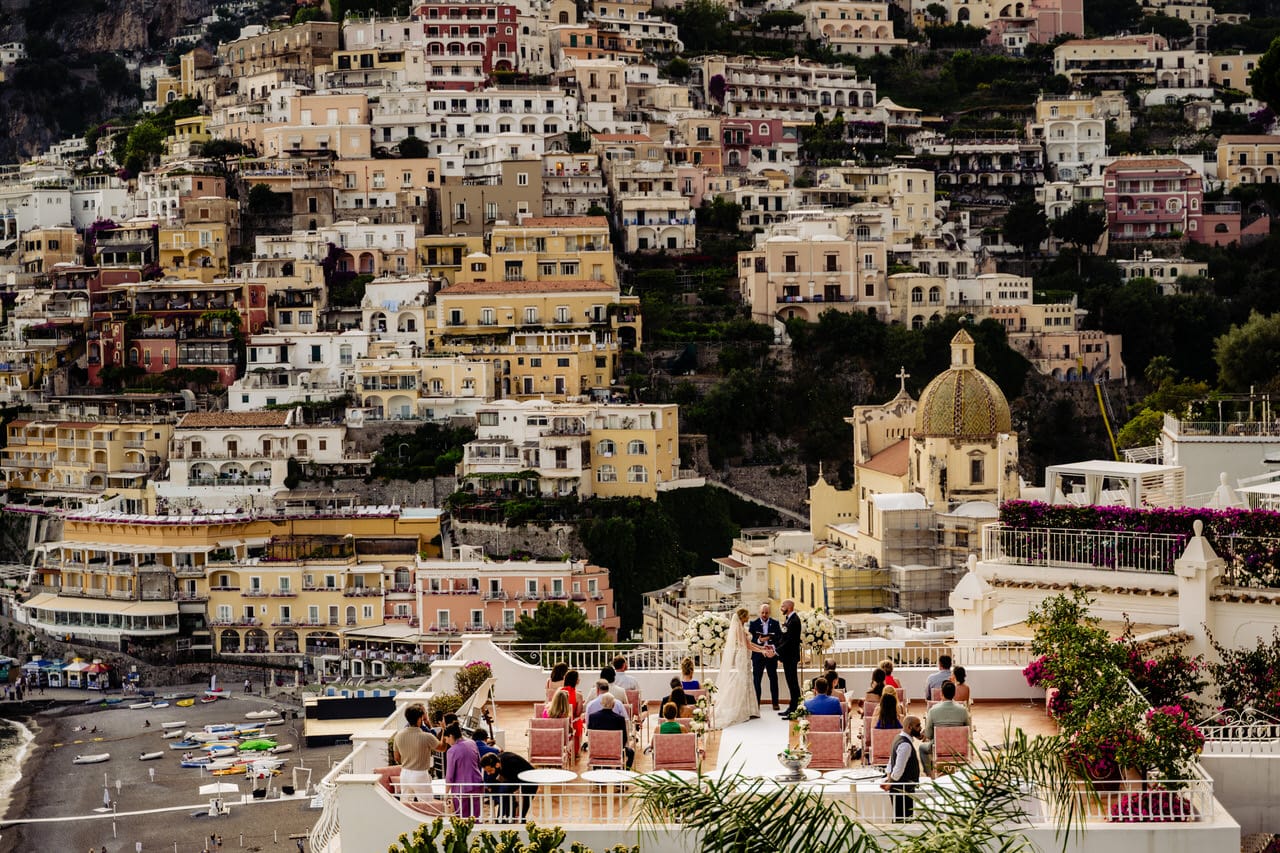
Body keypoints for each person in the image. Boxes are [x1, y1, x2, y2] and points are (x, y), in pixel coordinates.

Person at [714, 606, 774, 728]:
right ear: (742, 617)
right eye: (747, 616)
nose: (748, 617)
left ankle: (749, 709)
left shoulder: (741, 627)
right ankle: (742, 709)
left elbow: (750, 644)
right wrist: (761, 651)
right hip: (742, 657)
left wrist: (762, 648)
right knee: (743, 681)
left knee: (747, 681)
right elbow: (747, 646)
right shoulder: (738, 629)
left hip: (746, 656)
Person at [920, 681, 972, 776]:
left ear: (941, 693)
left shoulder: (933, 710)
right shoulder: (963, 710)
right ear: (954, 693)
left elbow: (928, 734)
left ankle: (930, 775)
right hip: (959, 748)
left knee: (922, 748)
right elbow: (968, 732)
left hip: (938, 748)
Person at [393, 704, 440, 801]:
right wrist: (444, 729)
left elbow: (397, 758)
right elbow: (442, 748)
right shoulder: (426, 736)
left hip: (405, 774)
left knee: (406, 805)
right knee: (427, 805)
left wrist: (408, 761)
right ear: (419, 719)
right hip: (420, 774)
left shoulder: (398, 736)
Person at [881, 715, 923, 822]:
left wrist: (889, 778)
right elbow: (898, 770)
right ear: (909, 727)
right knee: (904, 819)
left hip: (898, 787)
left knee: (899, 817)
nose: (920, 728)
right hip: (903, 789)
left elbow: (891, 762)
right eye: (918, 726)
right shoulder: (905, 745)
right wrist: (891, 781)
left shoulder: (898, 738)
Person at [480, 751, 537, 822]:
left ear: (497, 765)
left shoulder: (510, 763)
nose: (489, 773)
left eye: (490, 770)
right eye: (487, 771)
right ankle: (507, 817)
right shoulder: (497, 761)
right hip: (516, 775)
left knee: (526, 800)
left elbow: (514, 783)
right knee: (504, 793)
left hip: (530, 777)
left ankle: (521, 818)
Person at [443, 722, 483, 817]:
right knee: (476, 816)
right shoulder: (472, 743)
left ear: (451, 736)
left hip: (461, 788)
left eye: (446, 739)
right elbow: (479, 763)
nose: (446, 742)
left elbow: (450, 775)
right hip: (477, 783)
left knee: (462, 817)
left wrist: (446, 793)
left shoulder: (451, 751)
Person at [586, 693, 634, 768]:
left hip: (597, 751)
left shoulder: (593, 717)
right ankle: (620, 771)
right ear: (613, 704)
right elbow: (624, 738)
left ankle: (597, 770)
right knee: (631, 752)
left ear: (601, 703)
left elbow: (590, 735)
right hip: (615, 751)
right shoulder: (620, 719)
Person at [773, 598, 802, 717]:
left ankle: (794, 708)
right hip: (788, 657)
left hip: (791, 657)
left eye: (783, 606)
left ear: (789, 607)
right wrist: (774, 647)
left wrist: (776, 651)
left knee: (793, 683)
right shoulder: (789, 619)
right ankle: (793, 706)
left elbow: (790, 641)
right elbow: (784, 638)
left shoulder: (794, 620)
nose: (781, 608)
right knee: (791, 683)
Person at [749, 603, 780, 710]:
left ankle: (775, 703)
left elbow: (779, 638)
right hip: (758, 655)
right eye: (762, 612)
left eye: (766, 612)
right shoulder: (753, 624)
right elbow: (750, 640)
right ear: (759, 612)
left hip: (771, 655)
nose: (764, 614)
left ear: (769, 613)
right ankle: (756, 703)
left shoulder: (775, 623)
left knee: (773, 679)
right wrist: (760, 640)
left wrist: (771, 645)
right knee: (757, 680)